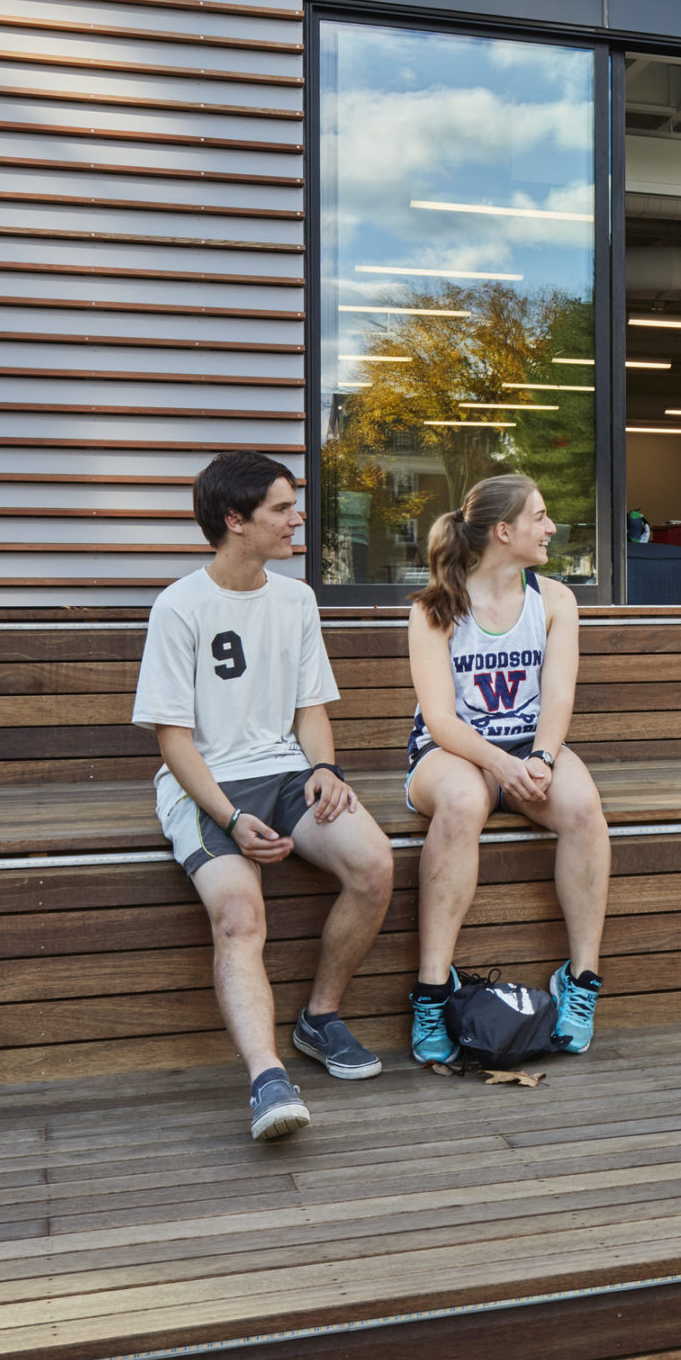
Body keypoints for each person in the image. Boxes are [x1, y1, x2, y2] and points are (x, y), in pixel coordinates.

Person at [132, 453, 397, 1141]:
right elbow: (175, 742)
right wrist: (230, 816)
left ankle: (321, 1018)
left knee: (373, 864)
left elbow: (311, 708)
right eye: (281, 508)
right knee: (241, 917)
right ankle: (267, 1078)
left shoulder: (296, 599)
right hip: (206, 788)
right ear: (234, 521)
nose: (297, 518)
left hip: (286, 773)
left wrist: (327, 768)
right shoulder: (179, 607)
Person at [405, 473, 611, 1065]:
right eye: (540, 517)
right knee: (465, 802)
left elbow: (559, 698)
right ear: (504, 531)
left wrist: (542, 758)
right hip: (450, 754)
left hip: (529, 746)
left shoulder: (555, 600)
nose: (550, 528)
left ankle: (581, 982)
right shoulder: (435, 607)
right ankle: (432, 990)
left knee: (582, 808)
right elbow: (440, 719)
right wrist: (500, 763)